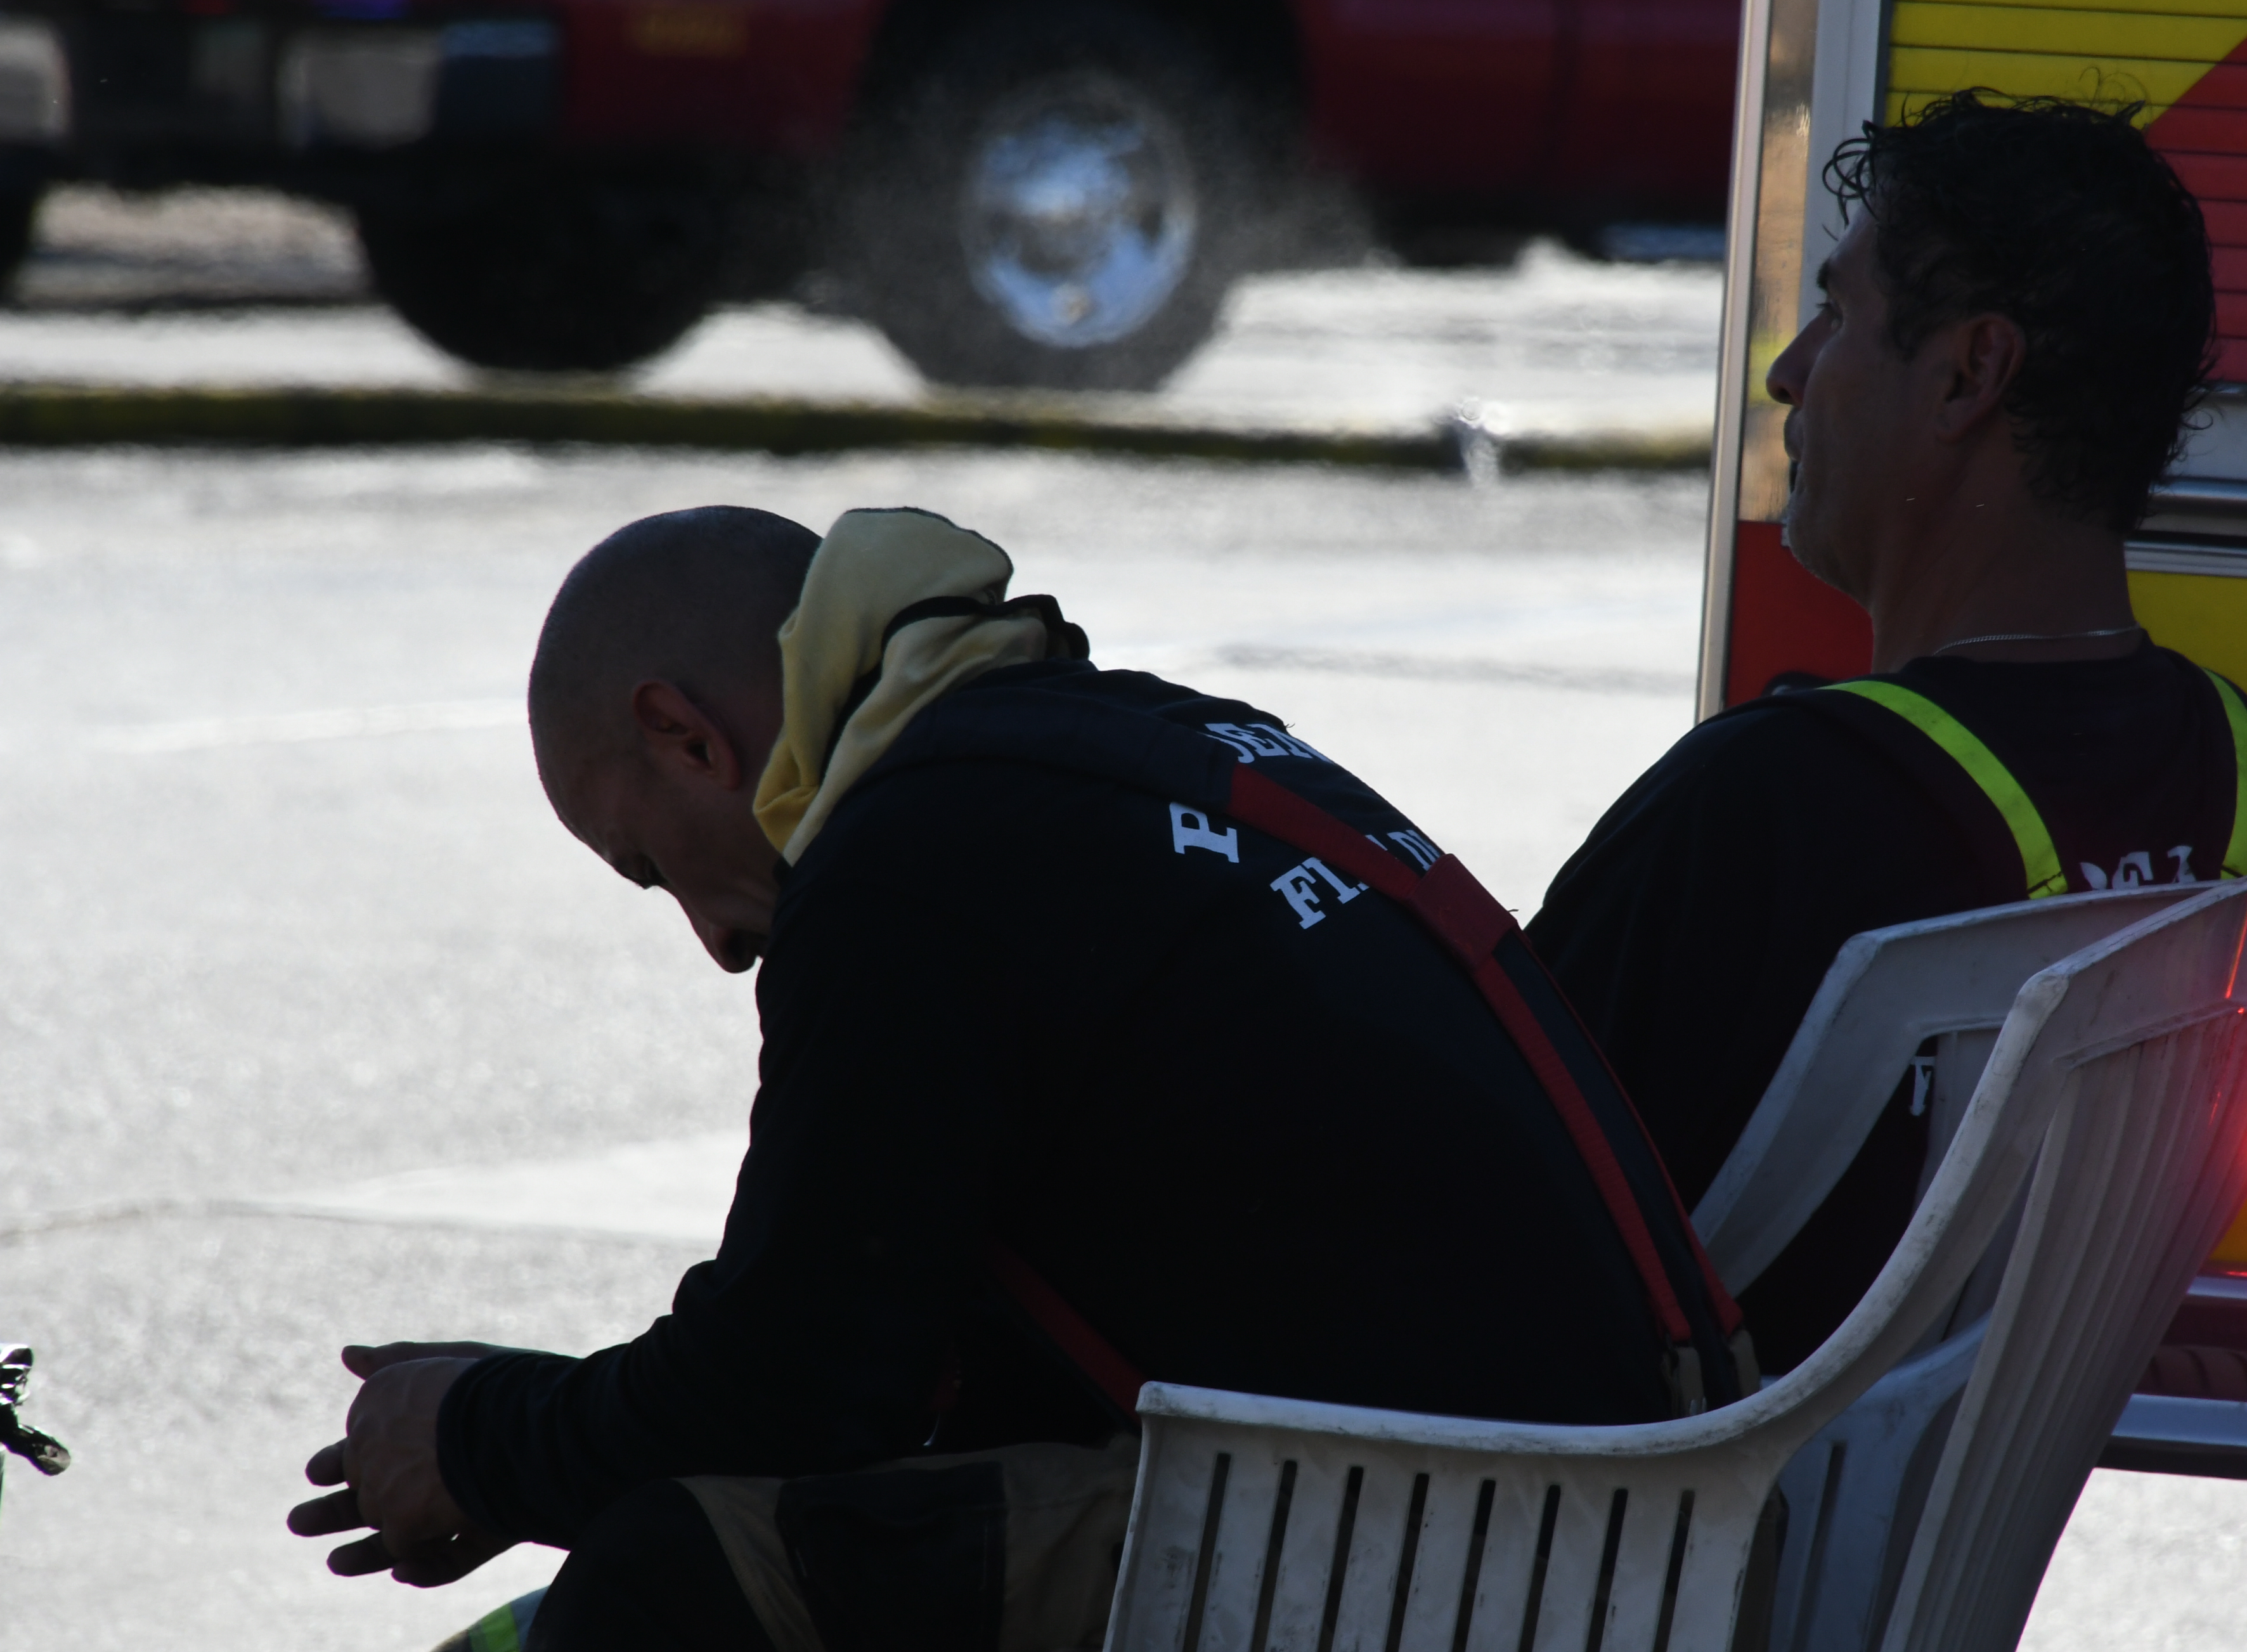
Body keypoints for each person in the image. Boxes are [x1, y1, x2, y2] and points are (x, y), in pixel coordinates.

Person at [287, 504, 1745, 1652]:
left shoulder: (908, 860)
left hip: (1464, 1556)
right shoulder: (1113, 740)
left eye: (649, 866)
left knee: (683, 1574)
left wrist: (480, 1439)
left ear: (686, 736)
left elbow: (789, 1397)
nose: (717, 943)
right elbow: (875, 1342)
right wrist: (539, 1436)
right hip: (1619, 1508)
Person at [1526, 92, 2247, 1373]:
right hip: (1951, 1500)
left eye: (1838, 316)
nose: (1790, 372)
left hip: (1667, 1490)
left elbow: (1480, 1199)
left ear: (1969, 374)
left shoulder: (1771, 808)